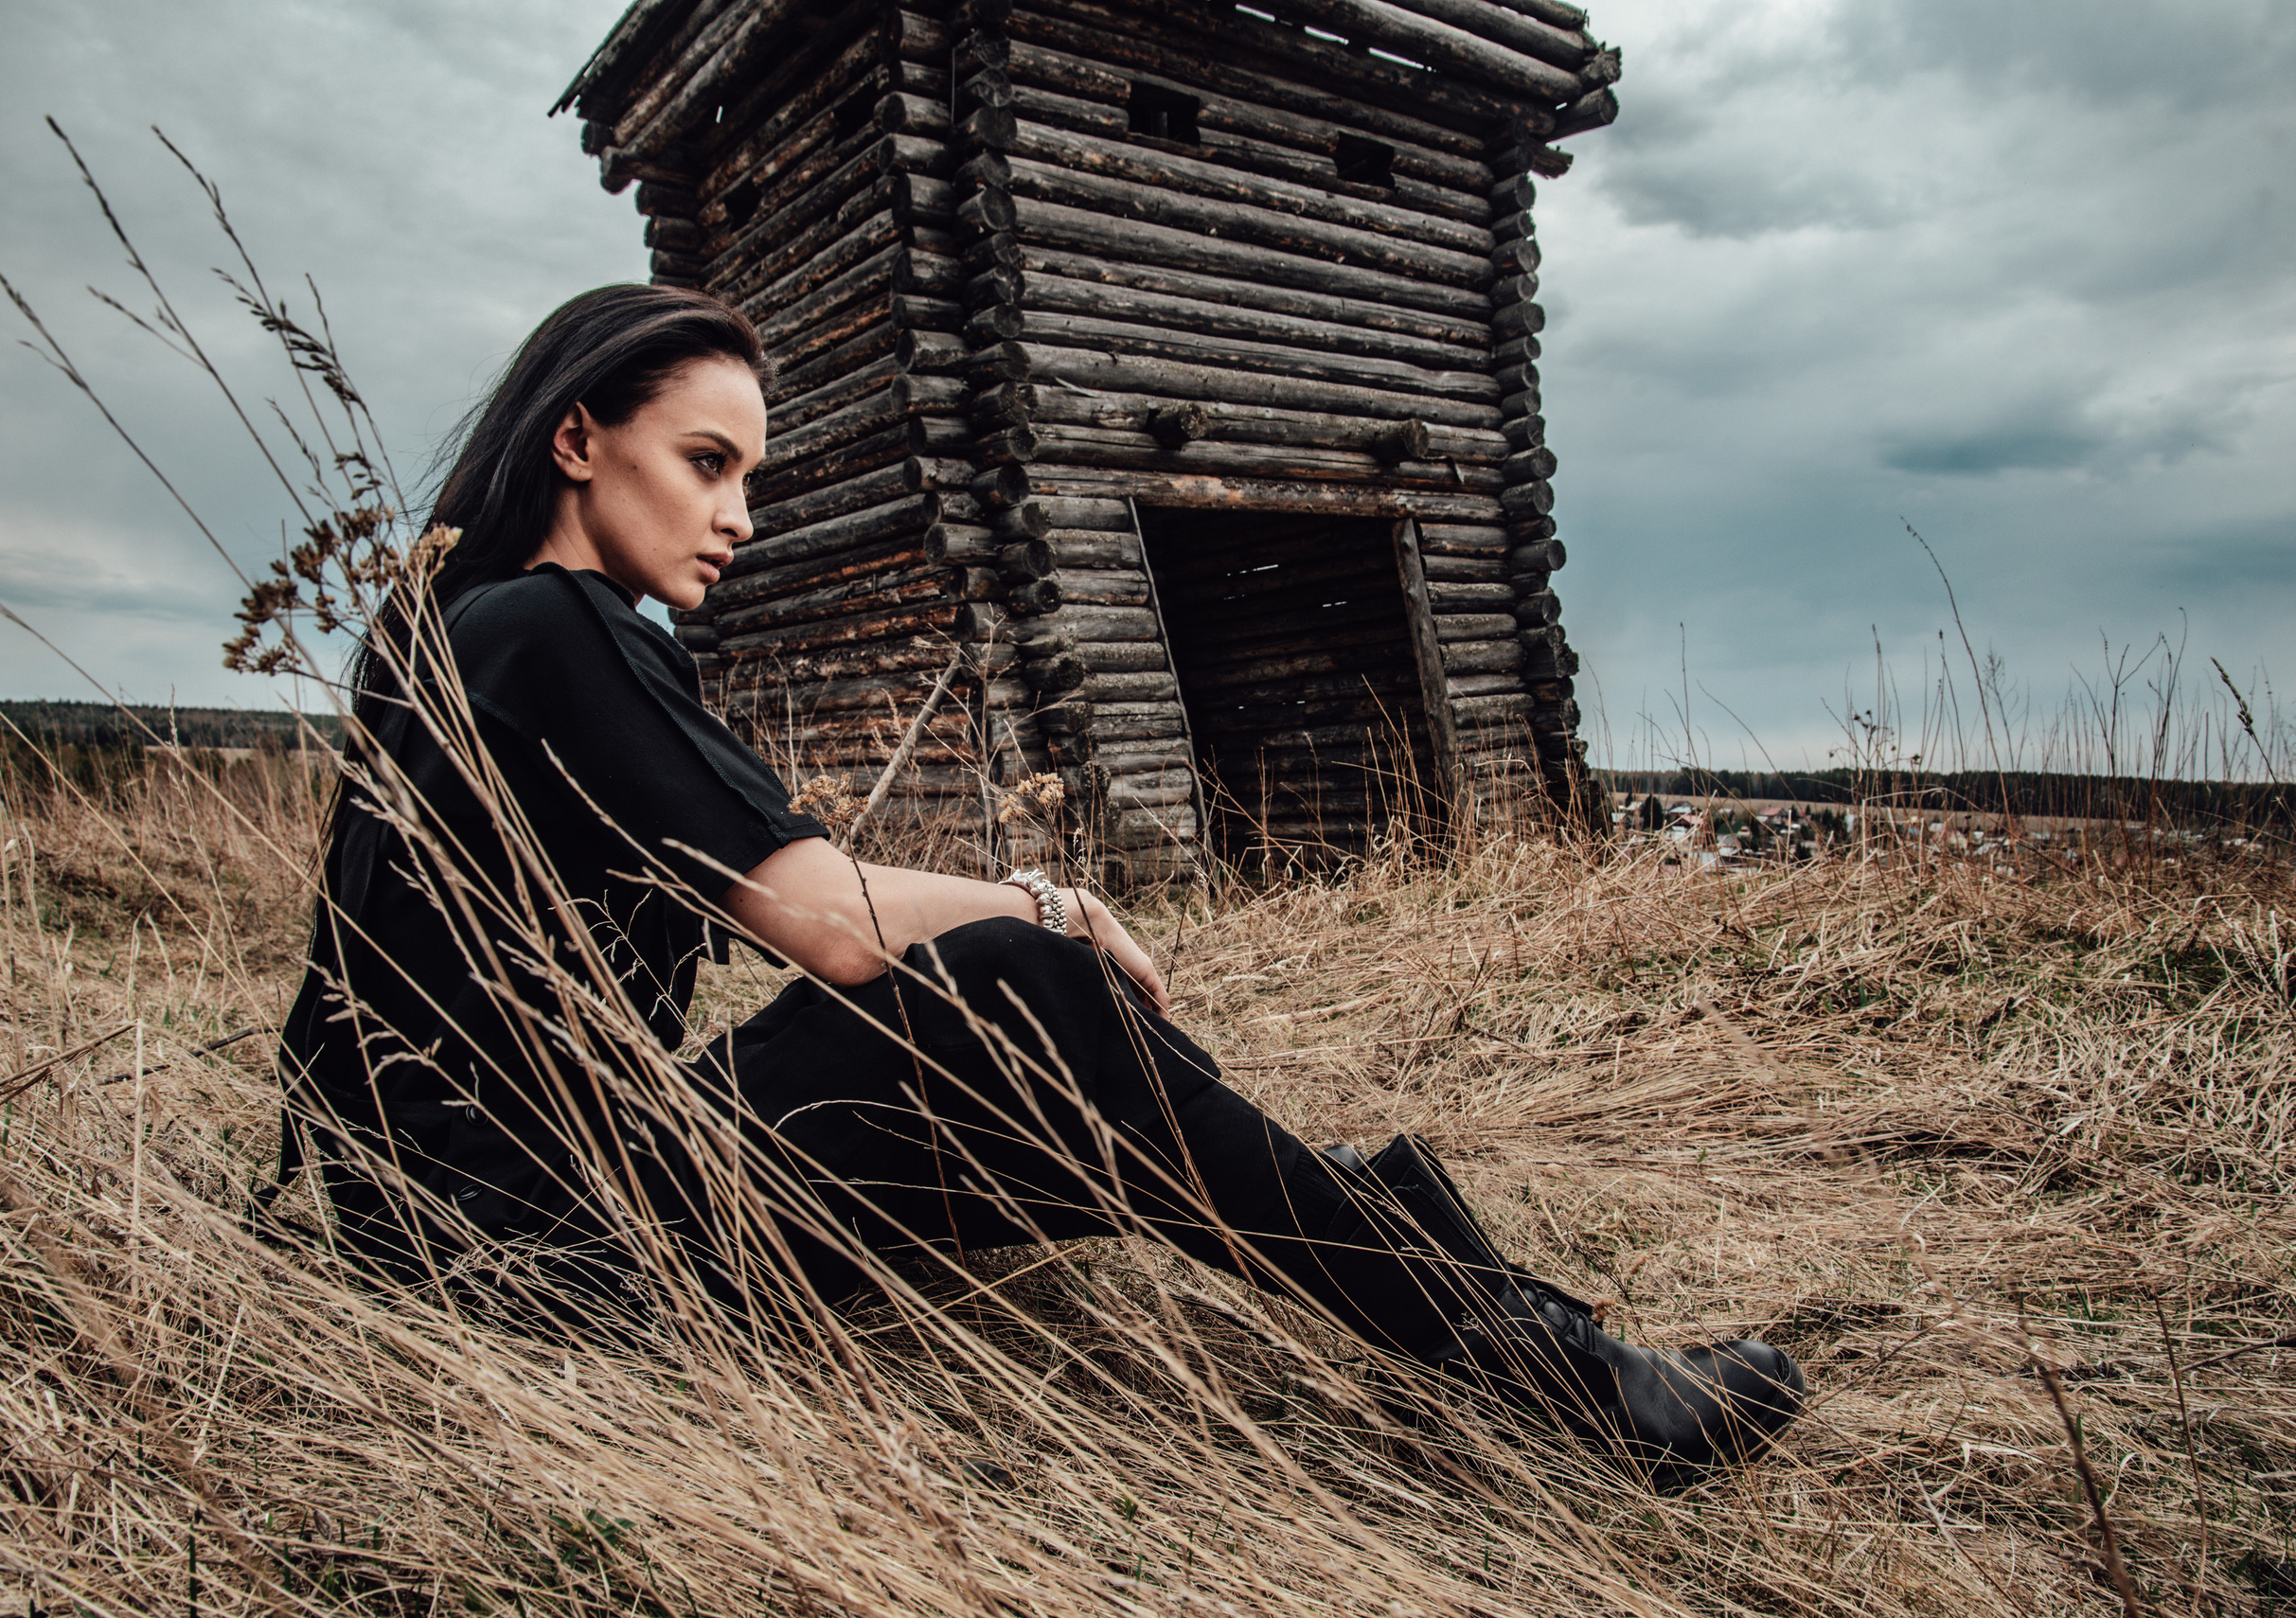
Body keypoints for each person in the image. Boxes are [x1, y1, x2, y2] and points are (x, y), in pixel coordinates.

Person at [274, 283, 1803, 1485]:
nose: (741, 511)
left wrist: (1021, 909)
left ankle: (1514, 1325)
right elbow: (828, 923)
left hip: (445, 1229)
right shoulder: (557, 624)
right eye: (707, 462)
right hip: (542, 1240)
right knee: (1044, 997)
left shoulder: (456, 627)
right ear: (577, 441)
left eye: (751, 473)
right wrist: (1049, 904)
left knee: (1084, 1067)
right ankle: (1558, 1363)